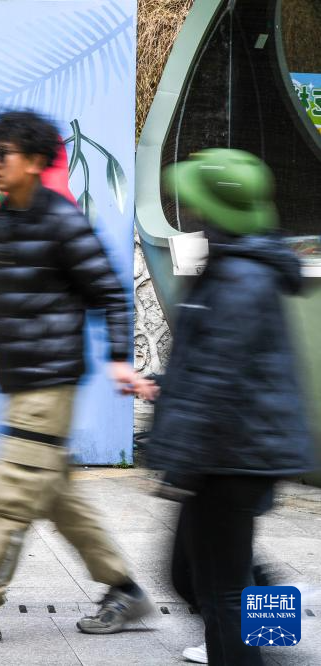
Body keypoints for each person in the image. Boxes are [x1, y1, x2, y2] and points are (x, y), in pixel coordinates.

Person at [0, 110, 152, 644]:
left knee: (14, 494)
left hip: (49, 385)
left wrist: (120, 358)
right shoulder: (3, 220)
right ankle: (124, 590)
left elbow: (110, 293)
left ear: (35, 161)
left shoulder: (63, 222)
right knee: (56, 498)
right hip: (23, 382)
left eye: (3, 153)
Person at [141, 148, 315, 665]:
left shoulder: (240, 278)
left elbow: (218, 381)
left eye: (196, 203)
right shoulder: (234, 266)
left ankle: (251, 641)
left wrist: (179, 465)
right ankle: (274, 629)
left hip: (229, 454)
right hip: (234, 449)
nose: (190, 212)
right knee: (201, 573)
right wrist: (165, 386)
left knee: (218, 587)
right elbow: (212, 364)